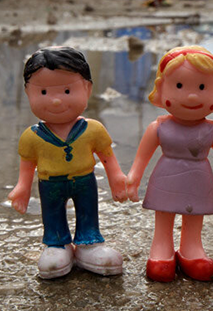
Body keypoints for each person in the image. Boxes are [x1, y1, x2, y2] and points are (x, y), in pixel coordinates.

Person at [126, 46, 213, 282]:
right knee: (164, 215)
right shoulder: (158, 128)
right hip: (166, 176)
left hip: (199, 178)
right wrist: (132, 179)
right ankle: (161, 250)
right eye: (178, 86)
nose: (192, 96)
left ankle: (191, 249)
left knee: (194, 215)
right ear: (161, 89)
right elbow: (141, 159)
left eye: (202, 87)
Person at [9, 46, 127, 279]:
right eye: (43, 92)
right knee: (52, 213)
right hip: (50, 183)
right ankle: (56, 244)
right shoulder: (32, 136)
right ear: (27, 93)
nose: (55, 101)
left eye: (66, 90)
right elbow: (27, 165)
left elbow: (107, 156)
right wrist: (22, 187)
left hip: (85, 180)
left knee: (88, 210)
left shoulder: (92, 130)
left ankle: (88, 242)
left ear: (87, 88)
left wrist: (117, 178)